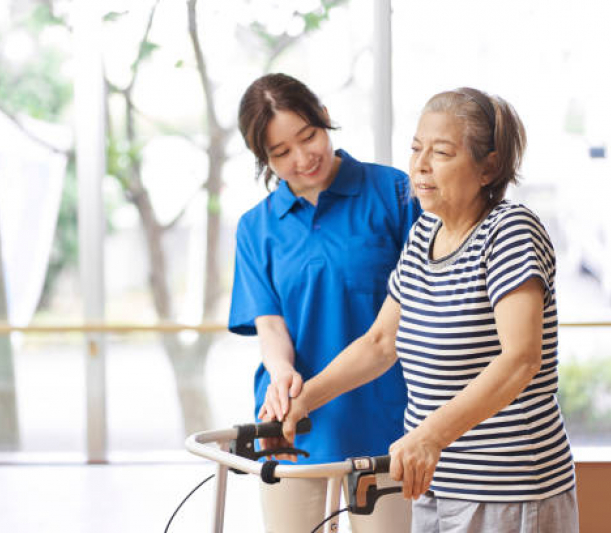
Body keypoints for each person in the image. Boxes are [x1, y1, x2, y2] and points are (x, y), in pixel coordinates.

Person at [281, 87, 580, 532]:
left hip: (510, 489)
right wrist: (305, 398)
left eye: (441, 152)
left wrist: (429, 436)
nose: (420, 165)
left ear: (488, 167)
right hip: (436, 483)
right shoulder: (424, 238)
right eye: (416, 148)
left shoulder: (509, 232)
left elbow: (522, 360)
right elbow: (381, 343)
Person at [228, 73, 421, 533]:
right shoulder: (256, 228)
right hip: (291, 415)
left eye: (308, 136)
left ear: (324, 118)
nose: (302, 158)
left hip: (386, 409)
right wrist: (280, 373)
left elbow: (415, 312)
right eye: (281, 153)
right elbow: (270, 325)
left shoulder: (395, 193)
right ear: (263, 159)